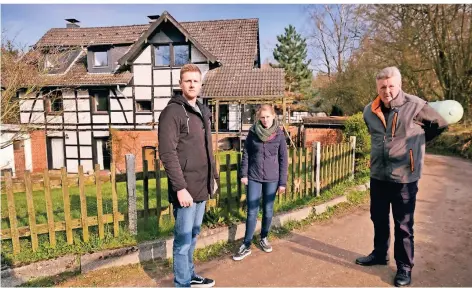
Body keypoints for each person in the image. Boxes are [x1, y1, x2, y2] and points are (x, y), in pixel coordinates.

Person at [358, 66, 448, 287]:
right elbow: (374, 133)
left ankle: (404, 268)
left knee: (404, 225)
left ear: (399, 85)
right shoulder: (369, 111)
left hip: (405, 177)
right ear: (377, 88)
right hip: (378, 174)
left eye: (391, 86)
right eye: (382, 87)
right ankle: (380, 254)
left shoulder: (416, 106)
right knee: (378, 218)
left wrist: (417, 144)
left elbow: (440, 124)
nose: (387, 90)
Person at [158, 64, 218, 287]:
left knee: (193, 235)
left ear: (201, 84)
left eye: (196, 80)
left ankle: (190, 275)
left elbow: (207, 149)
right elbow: (167, 153)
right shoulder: (172, 112)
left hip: (202, 185)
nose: (192, 84)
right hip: (185, 188)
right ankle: (181, 283)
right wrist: (180, 188)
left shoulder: (202, 111)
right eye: (188, 81)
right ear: (180, 84)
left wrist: (213, 178)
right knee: (183, 240)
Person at [233, 104, 288, 261]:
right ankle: (247, 243)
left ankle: (264, 237)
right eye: (262, 117)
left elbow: (283, 159)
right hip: (254, 176)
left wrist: (282, 182)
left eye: (268, 117)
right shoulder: (252, 132)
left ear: (273, 117)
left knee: (268, 209)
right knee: (252, 210)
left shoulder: (279, 134)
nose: (265, 120)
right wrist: (244, 173)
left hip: (272, 178)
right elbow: (247, 154)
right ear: (259, 118)